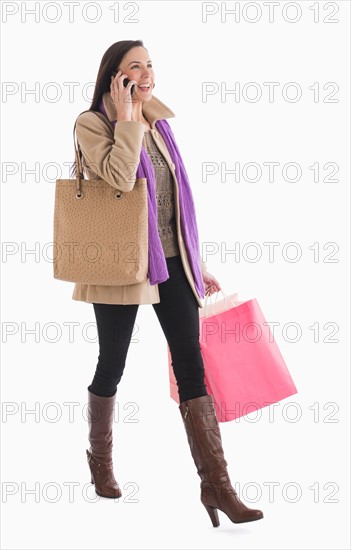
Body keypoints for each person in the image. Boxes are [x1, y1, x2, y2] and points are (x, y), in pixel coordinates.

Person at [71, 40, 263, 527]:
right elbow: (117, 177)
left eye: (150, 63)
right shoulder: (92, 124)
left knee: (192, 365)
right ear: (114, 77)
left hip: (171, 261)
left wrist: (195, 262)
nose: (147, 72)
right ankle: (100, 462)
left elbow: (174, 201)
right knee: (112, 360)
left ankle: (217, 486)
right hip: (118, 264)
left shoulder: (159, 122)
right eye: (134, 66)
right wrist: (126, 116)